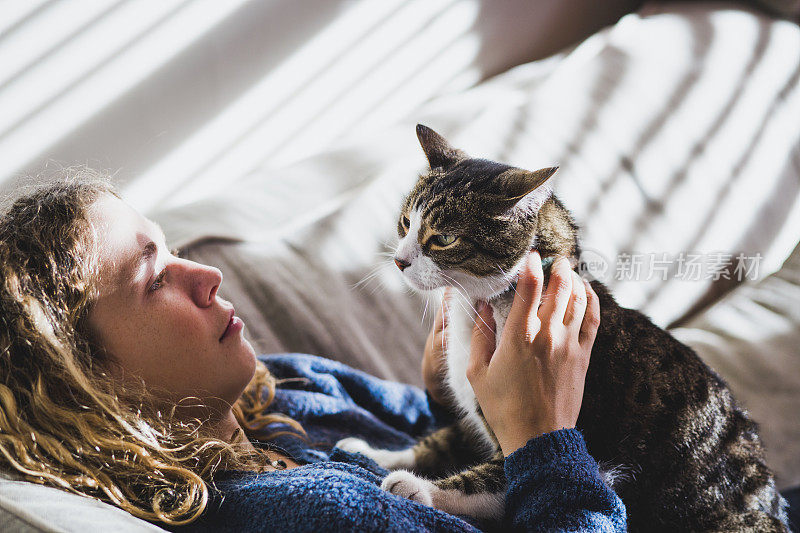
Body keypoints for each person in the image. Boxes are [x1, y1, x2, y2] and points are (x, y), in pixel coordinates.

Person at [0, 172, 625, 532]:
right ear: (85, 382)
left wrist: (450, 403)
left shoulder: (287, 387)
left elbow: (462, 464)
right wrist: (545, 439)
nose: (207, 274)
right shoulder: (306, 516)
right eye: (154, 279)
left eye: (170, 248)